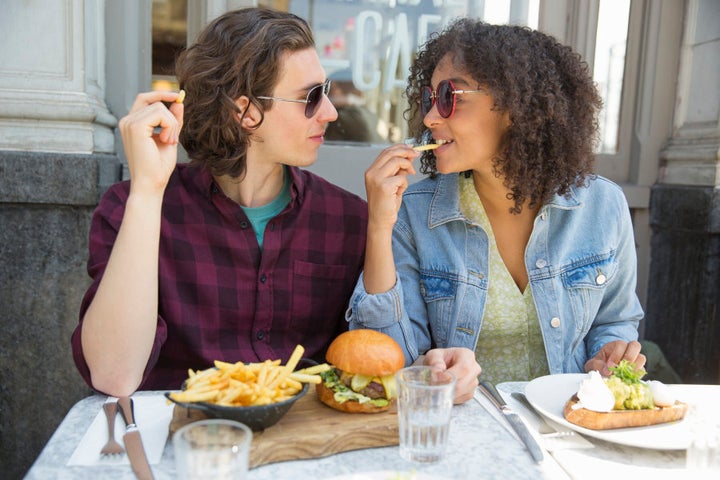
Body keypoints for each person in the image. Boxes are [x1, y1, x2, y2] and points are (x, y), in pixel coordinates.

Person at [72, 7, 367, 397]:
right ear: (245, 111)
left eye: (325, 92)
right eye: (310, 97)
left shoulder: (345, 219)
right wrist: (146, 190)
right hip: (180, 441)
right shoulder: (130, 208)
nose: (329, 112)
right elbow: (114, 375)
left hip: (301, 442)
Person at [346, 19, 646, 404]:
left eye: (448, 97)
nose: (430, 118)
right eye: (428, 99)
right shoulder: (413, 213)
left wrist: (610, 356)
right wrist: (379, 226)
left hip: (568, 427)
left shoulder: (603, 207)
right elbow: (386, 358)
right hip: (463, 430)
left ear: (514, 107)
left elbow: (615, 322)